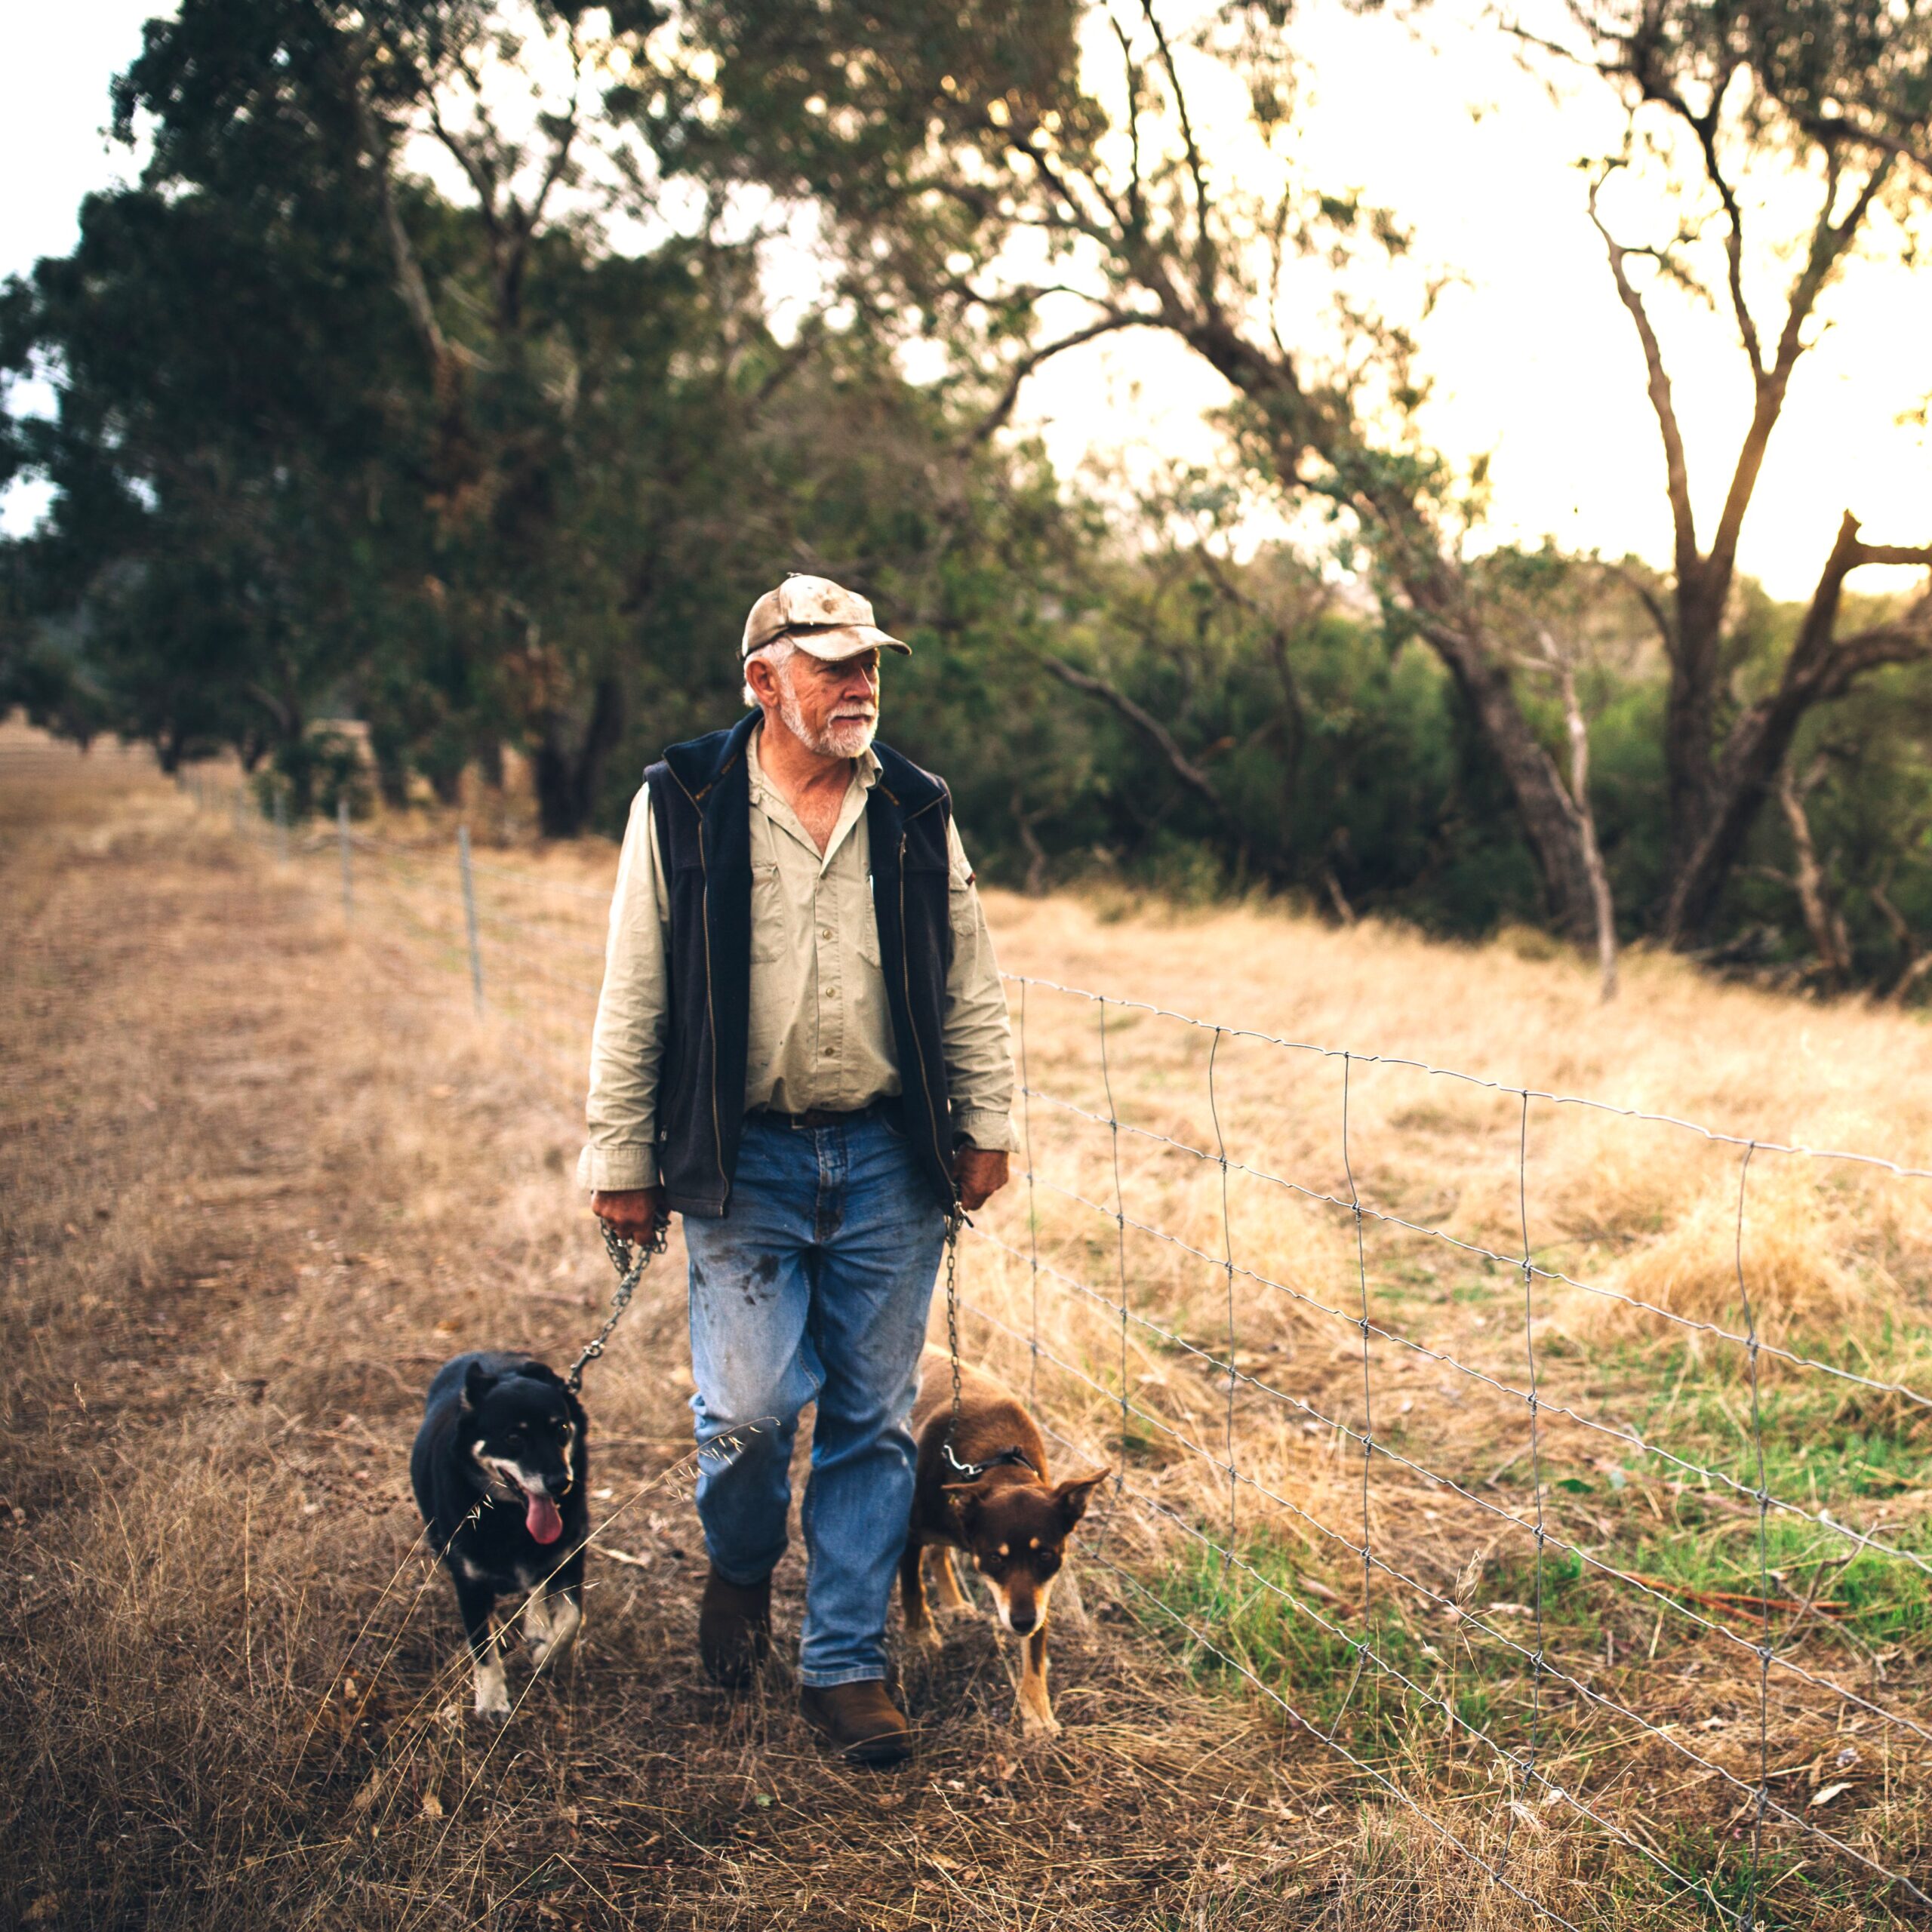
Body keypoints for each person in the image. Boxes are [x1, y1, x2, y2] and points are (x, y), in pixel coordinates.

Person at [579, 574, 1014, 1767]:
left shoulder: (918, 807)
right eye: (833, 663)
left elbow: (968, 979)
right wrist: (623, 1153)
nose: (862, 680)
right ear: (763, 681)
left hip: (886, 1154)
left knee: (871, 1422)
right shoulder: (683, 800)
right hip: (743, 1156)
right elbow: (636, 988)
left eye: (871, 660)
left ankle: (843, 1665)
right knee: (753, 1414)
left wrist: (985, 1122)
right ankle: (737, 1565)